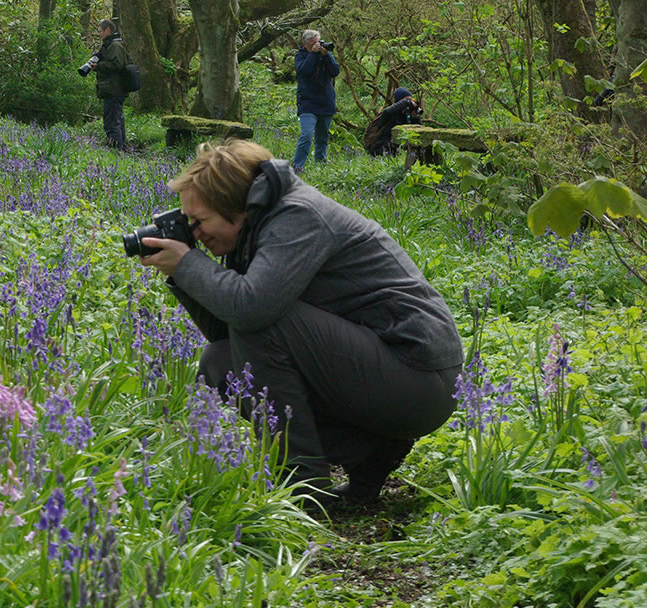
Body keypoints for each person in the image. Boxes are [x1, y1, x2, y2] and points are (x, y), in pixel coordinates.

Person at [137, 139, 463, 504]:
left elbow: (251, 312)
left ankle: (302, 484)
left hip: (420, 377)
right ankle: (368, 453)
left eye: (200, 221)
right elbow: (228, 332)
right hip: (386, 373)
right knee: (221, 362)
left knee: (262, 318)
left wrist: (189, 264)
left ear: (237, 206)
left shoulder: (298, 216)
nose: (195, 233)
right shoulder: (259, 223)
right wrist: (182, 273)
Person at [292, 29, 340, 172]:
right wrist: (313, 54)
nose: (317, 46)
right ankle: (297, 167)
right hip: (307, 102)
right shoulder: (300, 56)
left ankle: (320, 164)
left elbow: (335, 72)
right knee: (306, 135)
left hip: (325, 101)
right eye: (313, 44)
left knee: (322, 137)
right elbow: (304, 71)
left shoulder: (324, 55)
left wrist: (327, 56)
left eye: (318, 42)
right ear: (305, 44)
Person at [91, 19, 129, 149]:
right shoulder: (109, 45)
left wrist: (98, 66)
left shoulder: (115, 46)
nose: (99, 34)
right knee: (116, 120)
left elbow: (117, 65)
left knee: (111, 122)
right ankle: (121, 149)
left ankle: (116, 150)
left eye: (100, 31)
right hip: (112, 89)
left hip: (114, 89)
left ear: (108, 30)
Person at [364, 87, 422, 156]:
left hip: (396, 149)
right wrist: (407, 102)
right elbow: (387, 112)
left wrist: (415, 119)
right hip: (380, 148)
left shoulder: (405, 115)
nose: (409, 103)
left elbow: (419, 131)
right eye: (407, 100)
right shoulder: (389, 114)